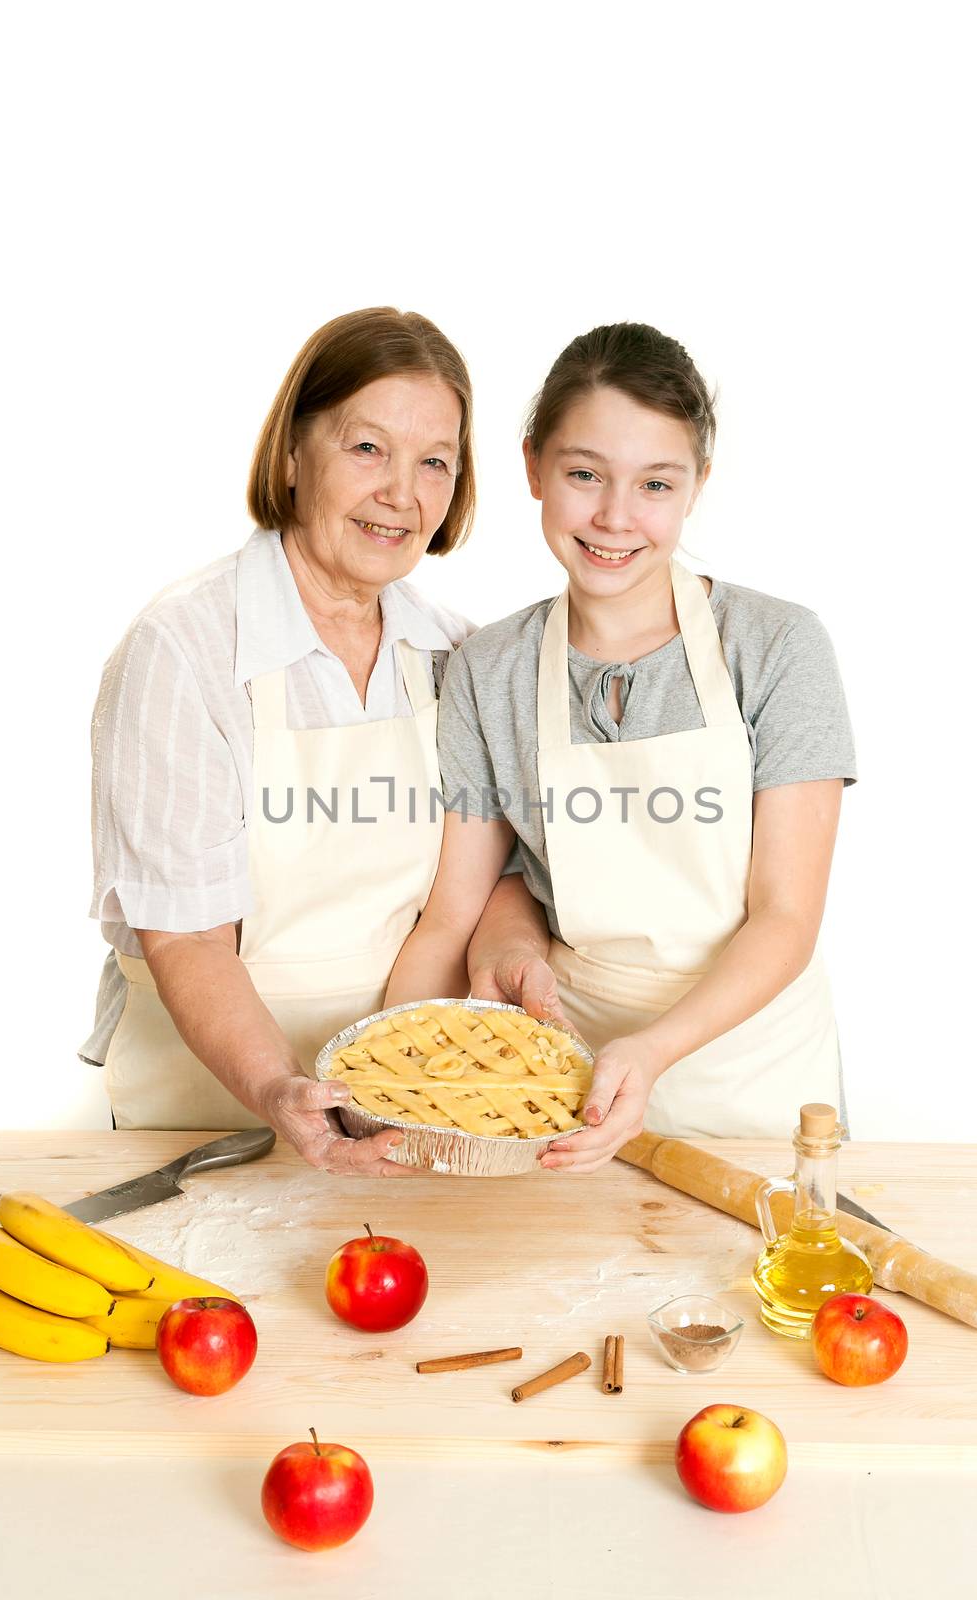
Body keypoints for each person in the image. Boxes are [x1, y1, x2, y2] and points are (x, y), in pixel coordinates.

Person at [385, 321, 857, 1171]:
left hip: (751, 1077)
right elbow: (463, 903)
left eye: (654, 484)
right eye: (582, 474)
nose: (613, 516)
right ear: (531, 467)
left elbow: (786, 917)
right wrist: (390, 1090)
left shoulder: (776, 646)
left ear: (696, 486)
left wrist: (651, 1052)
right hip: (568, 1089)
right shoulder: (489, 670)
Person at [80, 306, 477, 1174]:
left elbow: (472, 893)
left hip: (396, 1107)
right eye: (367, 448)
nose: (401, 494)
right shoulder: (184, 649)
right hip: (205, 1110)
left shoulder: (455, 654)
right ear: (293, 453)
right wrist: (276, 1089)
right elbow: (186, 938)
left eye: (434, 462)